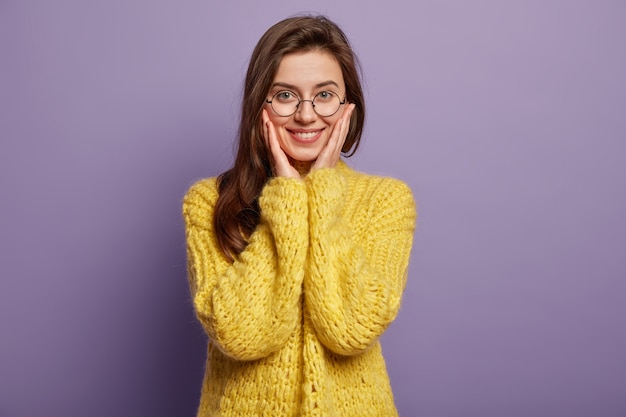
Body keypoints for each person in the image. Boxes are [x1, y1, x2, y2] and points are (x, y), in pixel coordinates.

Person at [183, 15, 417, 417]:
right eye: (286, 96)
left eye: (324, 95)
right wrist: (287, 200)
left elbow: (349, 329)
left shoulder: (386, 200)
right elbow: (240, 335)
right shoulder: (209, 201)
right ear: (260, 105)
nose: (307, 116)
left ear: (348, 106)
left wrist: (322, 195)